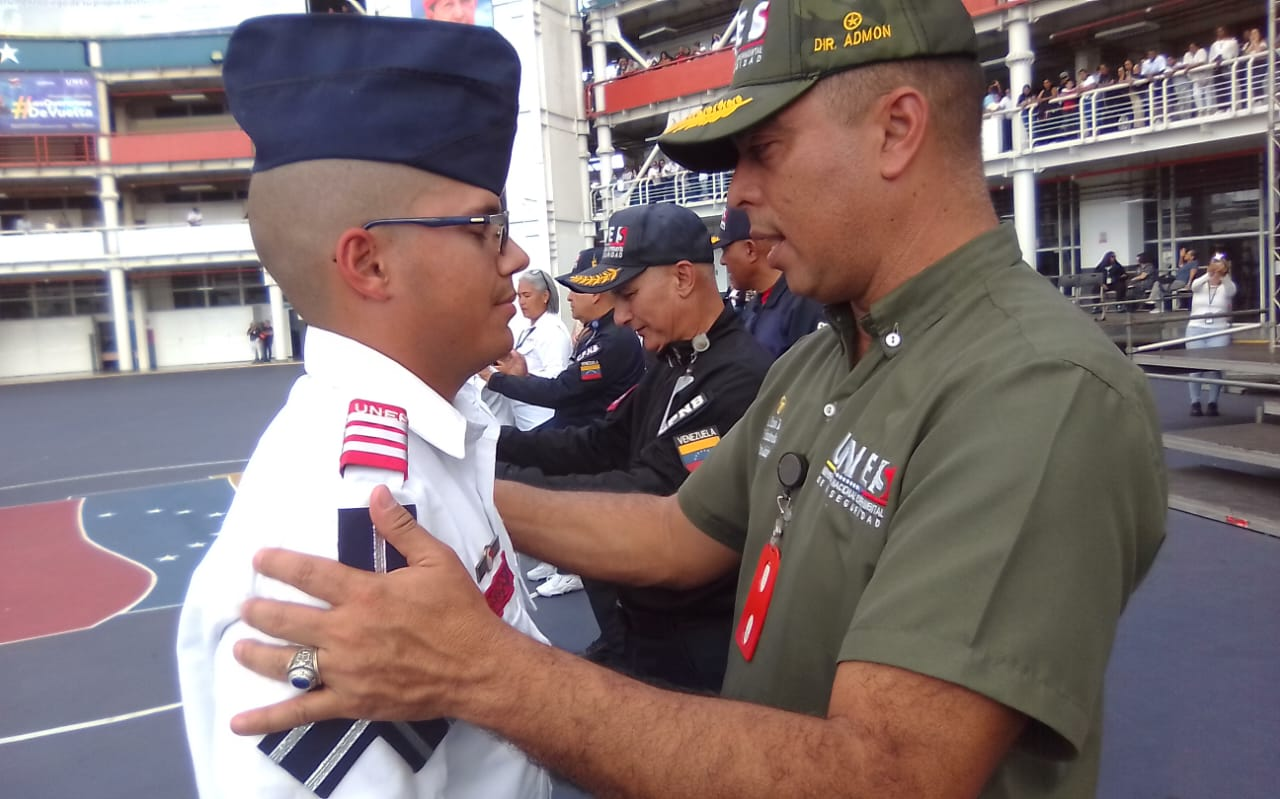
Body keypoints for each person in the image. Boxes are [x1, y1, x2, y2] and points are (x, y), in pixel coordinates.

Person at [228, 2, 1167, 797]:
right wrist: (458, 491)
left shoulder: (1034, 391)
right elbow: (680, 537)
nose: (741, 196)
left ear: (897, 128)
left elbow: (893, 775)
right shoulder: (825, 361)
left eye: (764, 149)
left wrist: (489, 671)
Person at [175, 14, 550, 799]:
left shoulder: (419, 452)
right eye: (488, 224)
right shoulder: (351, 522)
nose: (515, 255)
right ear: (370, 261)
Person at [497, 202, 772, 690]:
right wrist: (493, 446)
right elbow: (600, 443)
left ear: (683, 278)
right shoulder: (671, 359)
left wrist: (489, 488)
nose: (621, 316)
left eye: (628, 294)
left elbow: (650, 489)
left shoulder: (739, 378)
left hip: (697, 642)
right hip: (643, 623)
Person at [481, 247, 645, 431]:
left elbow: (561, 391)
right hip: (574, 435)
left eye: (575, 289)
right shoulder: (599, 333)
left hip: (591, 445)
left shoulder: (611, 340)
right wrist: (524, 377)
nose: (569, 298)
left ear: (595, 292)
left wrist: (494, 379)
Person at [714, 207, 824, 357]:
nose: (722, 261)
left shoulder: (804, 303)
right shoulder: (753, 307)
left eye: (726, 250)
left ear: (750, 250)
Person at [483, 269, 572, 430]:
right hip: (525, 420)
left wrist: (521, 377)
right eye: (519, 296)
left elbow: (557, 377)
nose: (522, 302)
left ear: (545, 296)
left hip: (543, 419)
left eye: (527, 295)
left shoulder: (552, 329)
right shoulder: (527, 330)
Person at [1184, 254, 1236, 417]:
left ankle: (1213, 402)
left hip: (1218, 329)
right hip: (1196, 328)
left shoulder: (1226, 286)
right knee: (1195, 368)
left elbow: (1231, 291)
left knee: (1215, 367)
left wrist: (1223, 274)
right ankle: (1195, 402)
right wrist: (1209, 272)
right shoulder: (1201, 284)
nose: (1215, 274)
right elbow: (1193, 286)